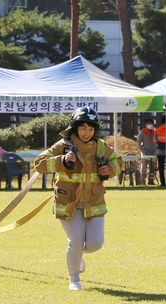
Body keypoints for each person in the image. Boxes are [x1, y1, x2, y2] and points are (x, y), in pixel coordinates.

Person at [34, 107, 123, 291]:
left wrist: (110, 169)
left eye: (91, 129)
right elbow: (39, 164)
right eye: (83, 128)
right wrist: (62, 161)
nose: (86, 132)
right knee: (75, 242)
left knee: (95, 244)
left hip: (94, 203)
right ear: (75, 128)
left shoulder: (101, 147)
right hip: (69, 204)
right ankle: (74, 280)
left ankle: (76, 255)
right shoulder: (62, 145)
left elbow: (118, 161)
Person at [136, 117, 157, 185]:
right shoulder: (142, 131)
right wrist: (142, 150)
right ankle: (142, 181)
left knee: (153, 168)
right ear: (145, 124)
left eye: (151, 123)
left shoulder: (155, 132)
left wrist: (156, 150)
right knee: (144, 168)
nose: (150, 124)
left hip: (153, 152)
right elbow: (138, 142)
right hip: (145, 152)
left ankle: (151, 181)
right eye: (148, 123)